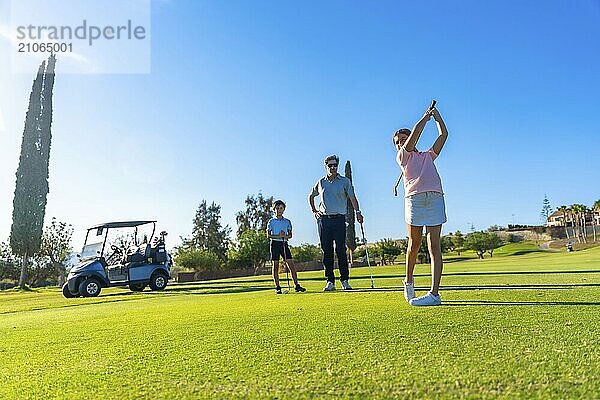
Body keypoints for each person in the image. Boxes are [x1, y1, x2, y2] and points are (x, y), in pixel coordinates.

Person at [393, 106, 448, 306]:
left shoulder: (428, 155)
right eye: (398, 142)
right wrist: (424, 117)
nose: (402, 144)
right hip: (415, 200)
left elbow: (444, 134)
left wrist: (436, 116)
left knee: (434, 246)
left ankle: (434, 294)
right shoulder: (402, 157)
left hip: (435, 199)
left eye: (403, 140)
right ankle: (408, 281)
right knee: (414, 245)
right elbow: (415, 134)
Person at [308, 155, 364, 291]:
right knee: (327, 251)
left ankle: (344, 280)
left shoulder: (344, 181)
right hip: (324, 220)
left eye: (335, 165)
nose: (332, 168)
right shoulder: (321, 182)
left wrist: (358, 212)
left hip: (340, 219)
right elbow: (311, 196)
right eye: (330, 165)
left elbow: (352, 197)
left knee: (341, 250)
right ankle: (330, 282)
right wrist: (314, 211)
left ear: (337, 166)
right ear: (326, 166)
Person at [266, 200, 306, 294]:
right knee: (275, 266)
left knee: (291, 265)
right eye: (277, 208)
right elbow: (268, 235)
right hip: (275, 244)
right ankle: (277, 287)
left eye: (281, 208)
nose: (279, 210)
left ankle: (296, 285)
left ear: (284, 209)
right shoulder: (271, 221)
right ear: (274, 209)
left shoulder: (287, 221)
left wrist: (285, 236)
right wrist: (278, 236)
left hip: (284, 244)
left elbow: (290, 235)